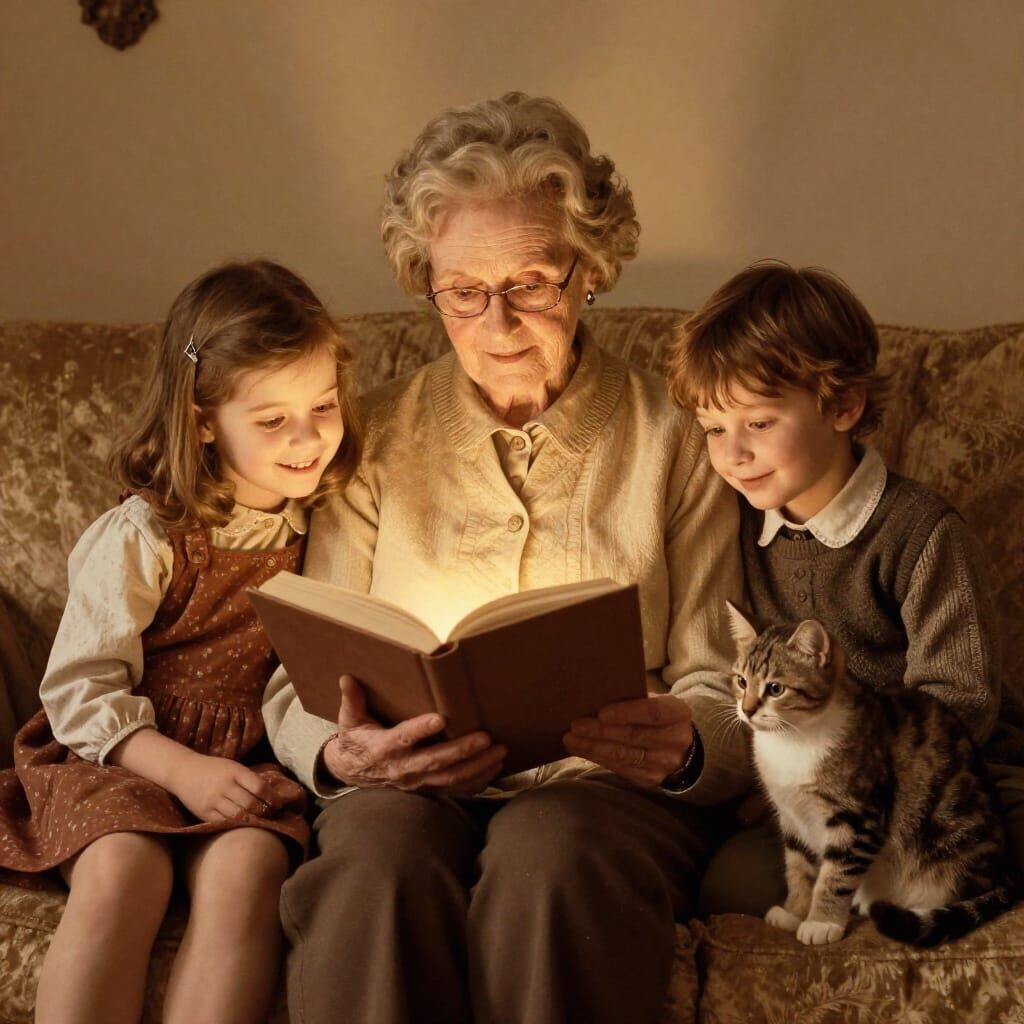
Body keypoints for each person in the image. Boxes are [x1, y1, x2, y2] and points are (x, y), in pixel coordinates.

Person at [263, 92, 747, 1024]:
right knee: (373, 863)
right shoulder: (375, 438)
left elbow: (722, 690)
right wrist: (341, 750)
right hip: (406, 786)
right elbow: (298, 680)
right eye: (463, 293)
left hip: (603, 799)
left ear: (591, 270)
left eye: (532, 283)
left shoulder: (676, 439)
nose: (498, 323)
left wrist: (684, 742)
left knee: (548, 859)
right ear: (426, 282)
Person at [0, 259, 361, 1024]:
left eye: (323, 405)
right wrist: (179, 768)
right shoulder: (147, 534)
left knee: (252, 870)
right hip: (124, 754)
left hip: (246, 762)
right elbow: (76, 687)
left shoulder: (329, 521)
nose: (308, 438)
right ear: (202, 419)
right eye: (272, 420)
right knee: (126, 867)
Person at [666, 258, 1024, 913]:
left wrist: (838, 778)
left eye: (759, 423)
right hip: (813, 799)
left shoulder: (921, 532)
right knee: (732, 885)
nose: (731, 453)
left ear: (844, 406)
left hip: (943, 784)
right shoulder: (732, 529)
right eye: (714, 429)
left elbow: (960, 700)